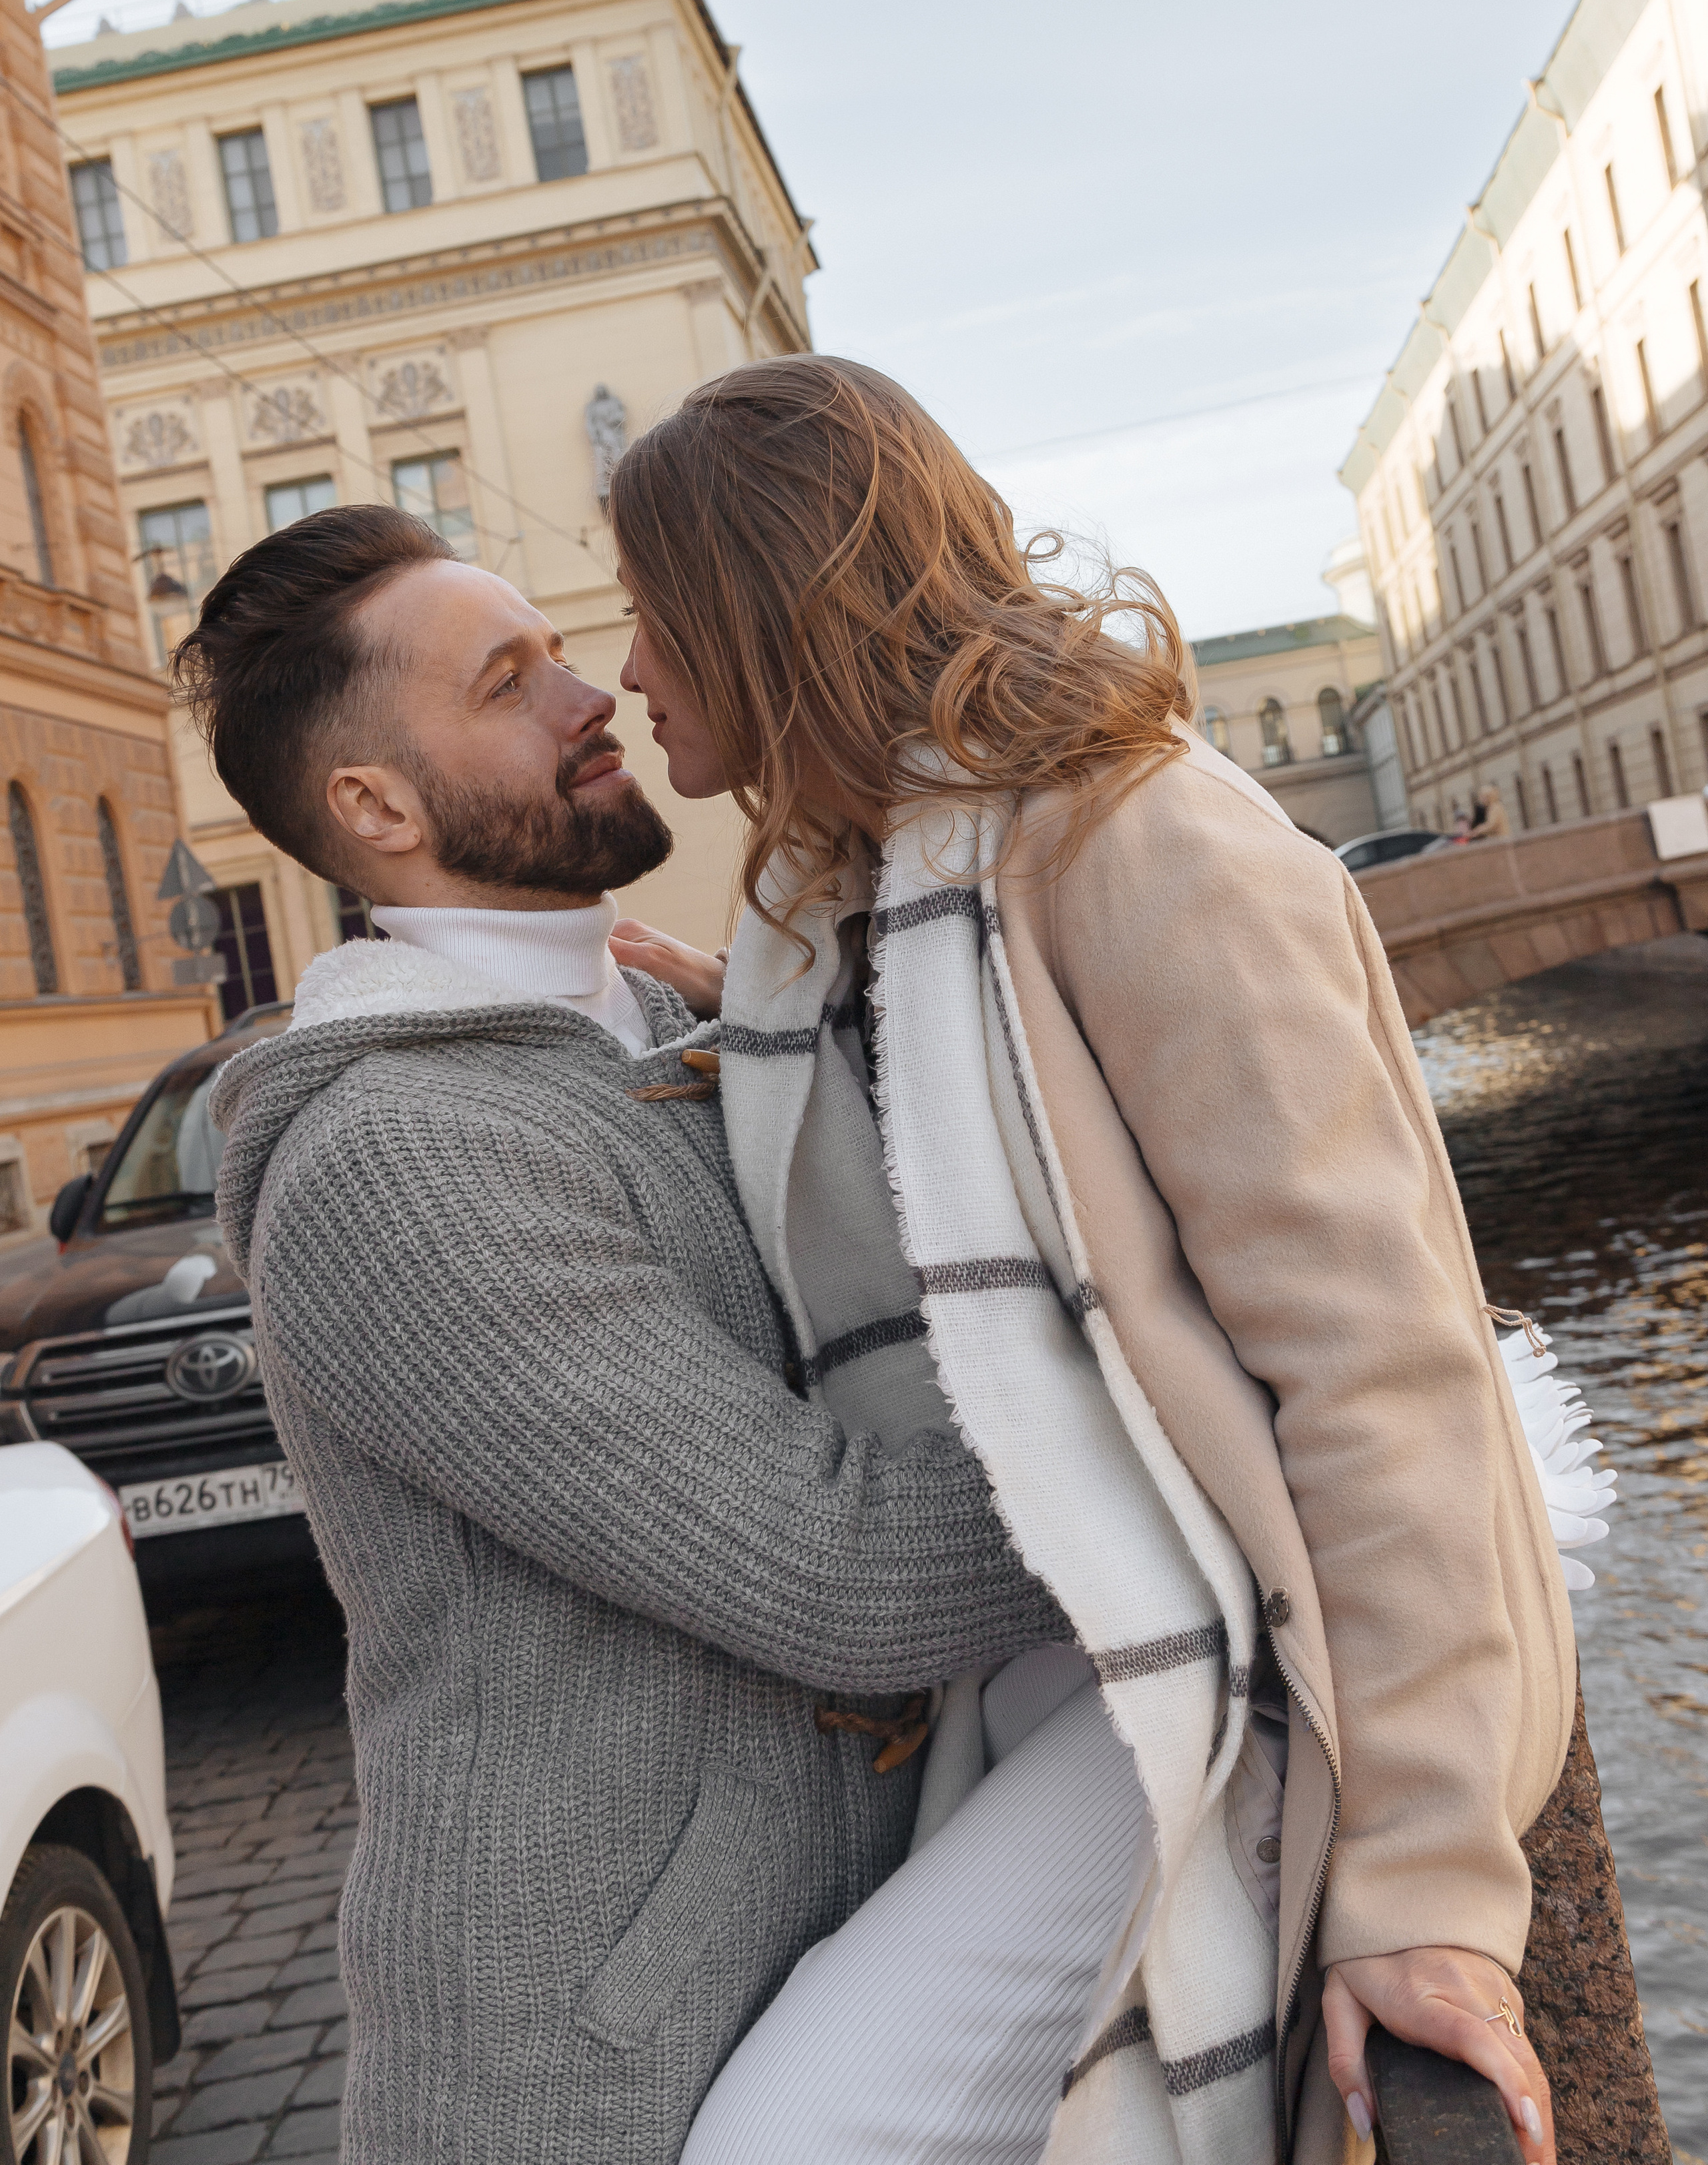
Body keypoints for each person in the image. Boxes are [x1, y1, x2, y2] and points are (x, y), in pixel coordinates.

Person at [605, 356, 1607, 2165]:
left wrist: (1429, 1883)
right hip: (1067, 1655)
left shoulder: (1145, 837)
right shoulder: (867, 906)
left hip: (1223, 1664)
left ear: (755, 613)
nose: (625, 674)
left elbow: (1381, 1366)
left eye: (647, 620)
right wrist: (756, 1034)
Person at [171, 505, 1069, 2165]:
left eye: (559, 653)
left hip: (796, 1973)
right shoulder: (399, 1164)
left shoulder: (660, 1025)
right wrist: (1245, 1448)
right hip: (589, 2073)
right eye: (507, 682)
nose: (591, 697)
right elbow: (842, 1575)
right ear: (372, 807)